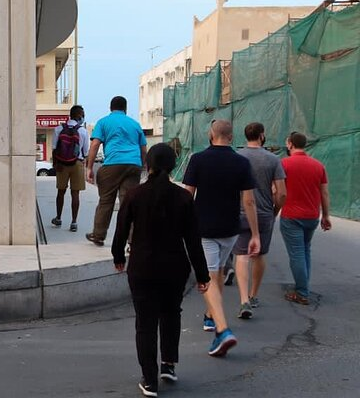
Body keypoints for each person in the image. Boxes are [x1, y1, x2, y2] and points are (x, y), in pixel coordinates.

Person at [113, 143, 210, 397]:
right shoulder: (184, 197)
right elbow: (193, 239)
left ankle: (149, 379)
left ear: (149, 165)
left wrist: (117, 256)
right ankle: (168, 364)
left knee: (145, 323)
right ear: (174, 165)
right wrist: (202, 275)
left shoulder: (135, 195)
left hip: (142, 266)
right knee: (171, 314)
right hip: (175, 267)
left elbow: (121, 229)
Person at [182, 119, 260, 357]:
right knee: (217, 274)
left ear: (210, 134)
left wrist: (180, 225)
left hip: (204, 228)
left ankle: (223, 329)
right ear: (231, 136)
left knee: (209, 277)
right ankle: (210, 316)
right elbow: (248, 200)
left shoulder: (198, 159)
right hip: (230, 228)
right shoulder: (241, 162)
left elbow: (188, 195)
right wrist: (255, 234)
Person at [233, 122, 286, 318]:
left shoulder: (237, 157)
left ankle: (243, 300)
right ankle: (253, 294)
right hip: (264, 213)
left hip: (239, 212)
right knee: (259, 254)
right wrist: (275, 211)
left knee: (241, 255)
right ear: (262, 135)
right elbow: (281, 193)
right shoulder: (273, 159)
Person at [85, 96, 147, 246]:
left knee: (106, 201)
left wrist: (89, 168)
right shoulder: (134, 124)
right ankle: (132, 241)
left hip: (112, 164)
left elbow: (94, 145)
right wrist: (142, 166)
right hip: (133, 165)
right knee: (129, 203)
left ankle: (98, 235)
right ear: (125, 108)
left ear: (110, 108)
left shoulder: (104, 122)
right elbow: (143, 148)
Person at [280, 131, 331, 305]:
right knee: (305, 250)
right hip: (311, 216)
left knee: (296, 254)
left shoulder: (284, 164)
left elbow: (277, 191)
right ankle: (303, 286)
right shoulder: (318, 166)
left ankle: (302, 292)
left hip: (291, 215)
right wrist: (326, 215)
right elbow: (324, 192)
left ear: (290, 144)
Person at [50, 105, 89, 232]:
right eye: (82, 115)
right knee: (75, 193)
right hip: (77, 163)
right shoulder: (83, 131)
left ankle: (58, 217)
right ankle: (74, 222)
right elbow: (85, 152)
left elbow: (54, 149)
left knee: (60, 192)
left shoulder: (58, 129)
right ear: (79, 116)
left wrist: (56, 164)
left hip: (62, 164)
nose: (83, 117)